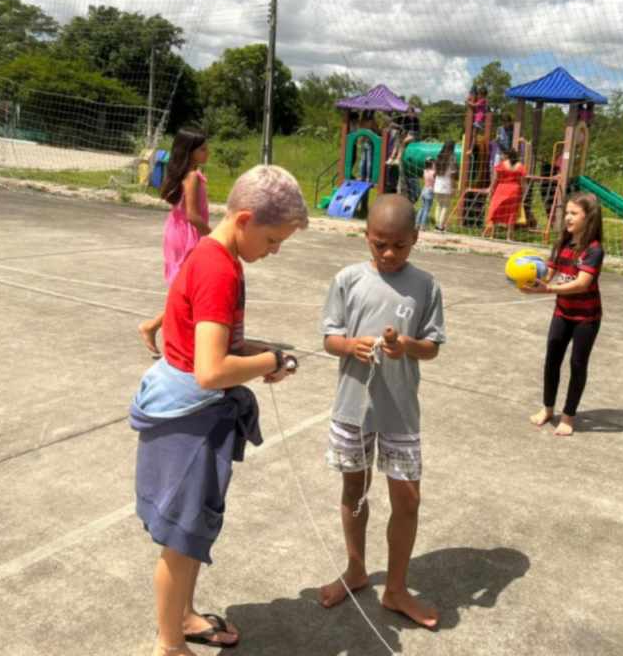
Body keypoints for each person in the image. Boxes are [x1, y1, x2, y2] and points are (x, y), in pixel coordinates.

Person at [130, 165, 310, 655]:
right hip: (189, 419)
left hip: (194, 413)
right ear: (245, 219)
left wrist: (264, 353)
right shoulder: (219, 271)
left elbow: (209, 345)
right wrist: (268, 362)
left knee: (193, 531)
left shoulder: (217, 256)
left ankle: (184, 616)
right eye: (272, 240)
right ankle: (170, 646)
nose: (273, 252)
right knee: (182, 536)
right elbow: (210, 370)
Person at [317, 194, 446, 628]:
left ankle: (395, 589)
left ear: (415, 238)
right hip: (353, 408)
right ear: (366, 236)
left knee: (407, 500)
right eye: (379, 244)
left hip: (401, 412)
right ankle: (356, 569)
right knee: (355, 490)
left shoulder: (426, 285)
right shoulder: (348, 279)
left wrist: (406, 345)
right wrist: (349, 345)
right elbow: (329, 338)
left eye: (399, 245)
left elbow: (431, 347)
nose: (389, 254)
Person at [522, 193, 604, 437]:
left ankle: (568, 416)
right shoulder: (561, 244)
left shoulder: (594, 250)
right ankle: (548, 409)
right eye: (567, 213)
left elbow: (581, 284)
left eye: (574, 213)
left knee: (577, 364)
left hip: (586, 318)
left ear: (589, 217)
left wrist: (548, 290)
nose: (568, 217)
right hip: (562, 313)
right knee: (552, 361)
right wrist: (527, 277)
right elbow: (547, 275)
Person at [139, 127, 213, 357]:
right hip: (187, 236)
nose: (207, 153)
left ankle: (154, 326)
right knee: (187, 291)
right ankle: (153, 326)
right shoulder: (192, 177)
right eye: (202, 149)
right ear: (189, 151)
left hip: (177, 232)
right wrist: (214, 238)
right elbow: (192, 216)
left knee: (186, 290)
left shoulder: (185, 174)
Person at [483, 146, 527, 241]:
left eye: (503, 155)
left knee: (496, 212)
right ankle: (509, 237)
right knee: (511, 214)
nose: (502, 156)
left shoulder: (501, 165)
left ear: (507, 156)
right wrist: (524, 194)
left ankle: (492, 235)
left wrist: (490, 189)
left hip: (501, 190)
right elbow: (523, 183)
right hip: (514, 192)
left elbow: (495, 180)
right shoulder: (520, 167)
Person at [432, 140, 456, 233]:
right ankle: (441, 226)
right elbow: (452, 175)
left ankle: (437, 225)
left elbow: (435, 172)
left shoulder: (439, 156)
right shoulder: (452, 158)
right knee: (445, 206)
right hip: (446, 185)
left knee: (438, 205)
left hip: (438, 184)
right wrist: (453, 188)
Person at [416, 157, 436, 230]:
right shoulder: (433, 172)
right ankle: (423, 226)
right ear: (432, 164)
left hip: (424, 190)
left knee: (422, 208)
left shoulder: (425, 171)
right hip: (429, 191)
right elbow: (434, 181)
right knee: (426, 209)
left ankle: (417, 224)